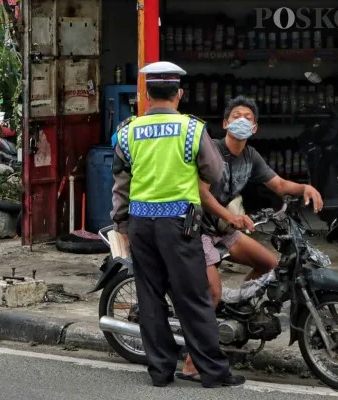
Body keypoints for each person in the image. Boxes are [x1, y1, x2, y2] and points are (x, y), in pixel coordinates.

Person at [111, 61, 244, 388]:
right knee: (193, 297)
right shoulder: (192, 129)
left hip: (141, 224)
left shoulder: (127, 131)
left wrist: (121, 225)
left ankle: (160, 372)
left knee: (151, 296)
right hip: (179, 224)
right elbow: (215, 173)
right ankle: (213, 372)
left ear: (145, 93)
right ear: (179, 93)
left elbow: (120, 184)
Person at [178, 95, 324, 381]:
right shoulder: (213, 151)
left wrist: (305, 187)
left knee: (270, 264)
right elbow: (201, 193)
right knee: (213, 292)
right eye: (236, 116)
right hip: (197, 229)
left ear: (255, 128)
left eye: (247, 117)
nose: (241, 121)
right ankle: (193, 362)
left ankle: (237, 311)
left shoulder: (251, 157)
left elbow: (279, 184)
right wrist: (231, 217)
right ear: (224, 123)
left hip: (224, 230)